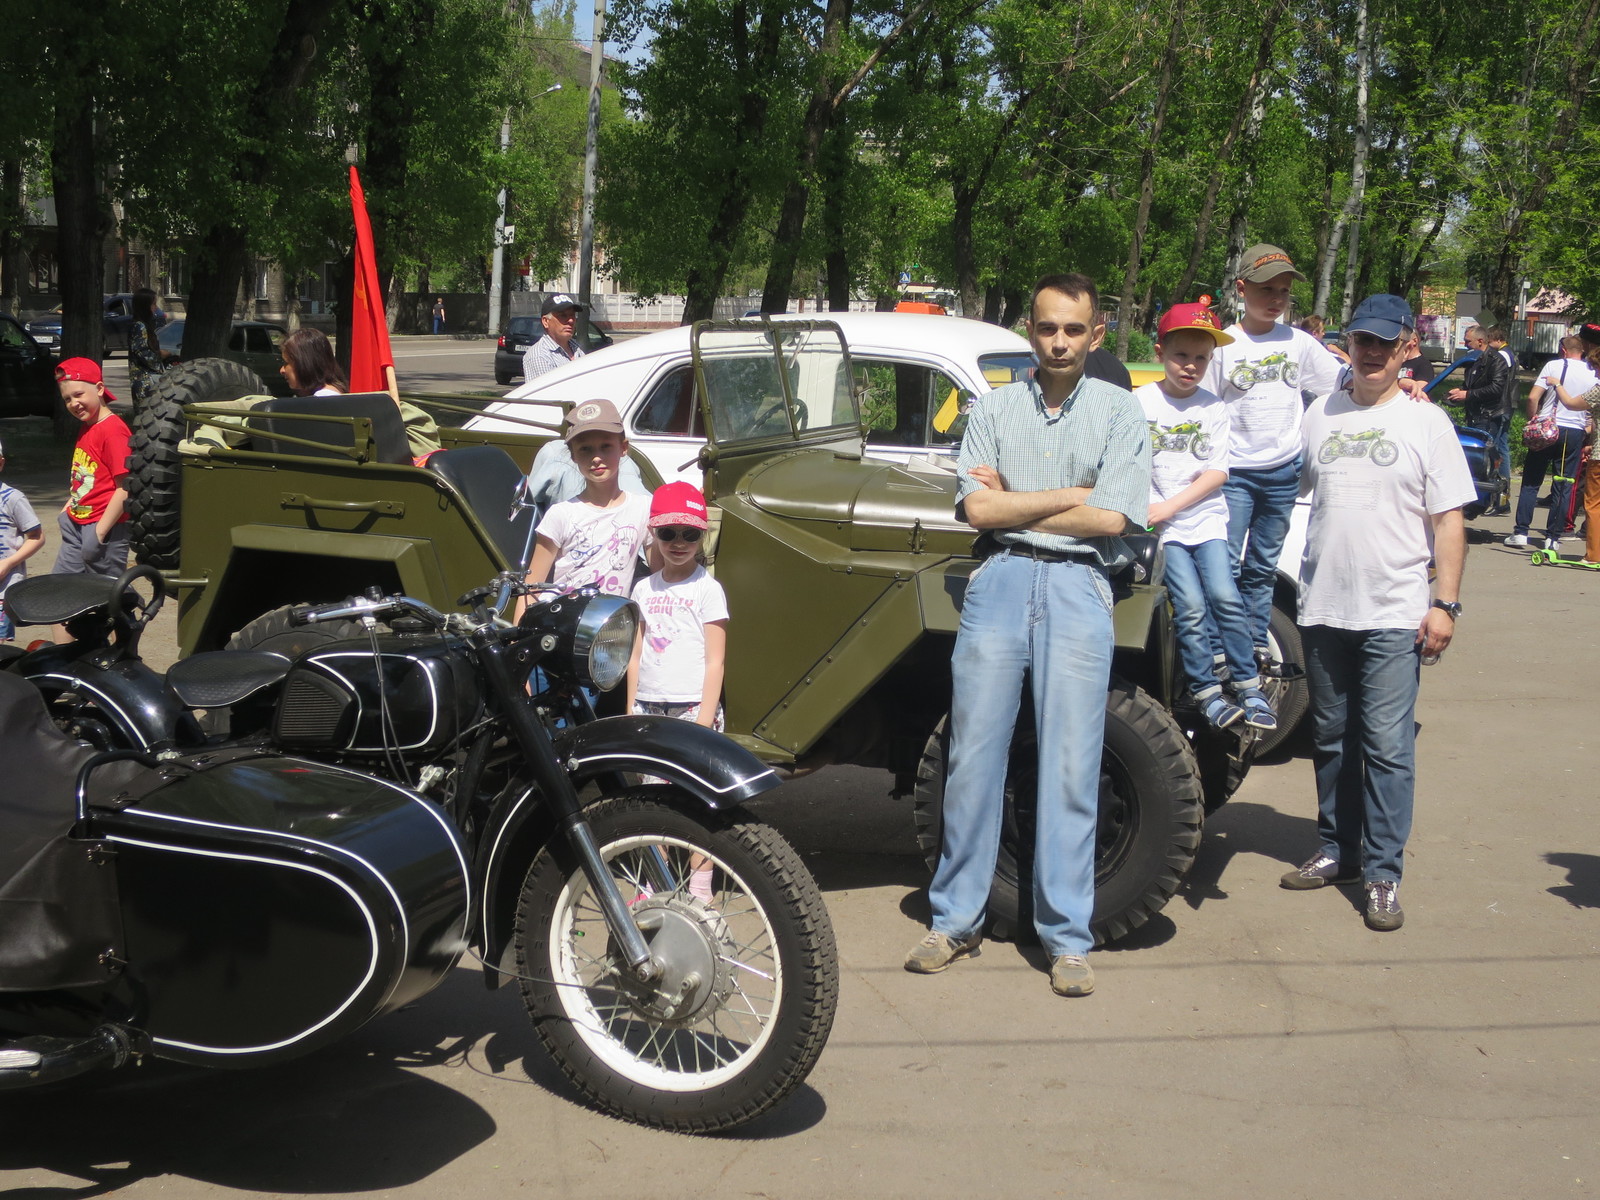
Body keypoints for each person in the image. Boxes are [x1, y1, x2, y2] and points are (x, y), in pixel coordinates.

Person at [903, 273, 1151, 998]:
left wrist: (1016, 501)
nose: (1060, 342)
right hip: (1001, 578)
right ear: (1030, 330)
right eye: (1047, 328)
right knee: (974, 755)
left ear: (1097, 333)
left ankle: (1066, 938)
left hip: (1079, 586)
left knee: (1072, 762)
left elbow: (1114, 520)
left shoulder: (1119, 412)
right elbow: (976, 510)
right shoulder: (996, 407)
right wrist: (1073, 494)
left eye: (1074, 330)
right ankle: (953, 921)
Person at [1282, 294, 1474, 932]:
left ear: (1404, 351)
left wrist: (1443, 604)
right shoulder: (1320, 414)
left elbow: (1449, 520)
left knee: (1389, 748)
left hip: (1395, 611)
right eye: (1361, 341)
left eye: (1383, 344)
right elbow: (1286, 490)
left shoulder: (1428, 424)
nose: (1370, 352)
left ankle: (1383, 873)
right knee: (1331, 739)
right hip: (1323, 607)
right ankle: (1337, 850)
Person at [1203, 245, 1343, 672]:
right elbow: (1203, 406)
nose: (1276, 299)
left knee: (1262, 566)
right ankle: (1216, 647)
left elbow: (1341, 384)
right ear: (1242, 289)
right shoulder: (1225, 344)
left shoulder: (1299, 342)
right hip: (1234, 475)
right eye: (1266, 289)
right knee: (1224, 563)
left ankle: (1252, 644)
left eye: (1283, 290)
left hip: (1282, 473)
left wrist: (1402, 385)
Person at [1137, 303, 1275, 732]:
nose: (1191, 366)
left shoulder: (1214, 407)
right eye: (1182, 355)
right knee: (1192, 607)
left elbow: (1217, 472)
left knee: (1226, 597)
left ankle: (1248, 686)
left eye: (1201, 358)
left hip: (1205, 519)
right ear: (1161, 351)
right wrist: (1155, 511)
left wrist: (1170, 506)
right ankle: (1206, 692)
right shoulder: (1139, 402)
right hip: (1165, 529)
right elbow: (1131, 464)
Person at [523, 398, 652, 599]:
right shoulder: (561, 514)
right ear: (573, 455)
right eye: (585, 449)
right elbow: (531, 588)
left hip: (615, 625)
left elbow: (661, 577)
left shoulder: (643, 508)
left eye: (606, 446)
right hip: (563, 621)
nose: (596, 458)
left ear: (623, 448)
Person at [1506, 335, 1597, 549]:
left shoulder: (1553, 365)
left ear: (1563, 350)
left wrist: (1533, 419)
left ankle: (1521, 532)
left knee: (1531, 480)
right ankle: (1552, 538)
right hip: (1574, 432)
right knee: (1563, 484)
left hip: (1548, 428)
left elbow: (1532, 398)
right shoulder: (1591, 371)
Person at [52, 358, 133, 593]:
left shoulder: (113, 429)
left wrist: (99, 533)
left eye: (78, 395)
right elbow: (86, 476)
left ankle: (128, 621)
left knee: (106, 598)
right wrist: (66, 509)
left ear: (98, 389)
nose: (74, 403)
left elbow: (125, 486)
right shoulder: (88, 425)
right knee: (61, 592)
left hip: (104, 527)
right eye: (67, 399)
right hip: (76, 522)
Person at [1447, 324, 1513, 512]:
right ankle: (1478, 501)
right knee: (1479, 459)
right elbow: (1470, 385)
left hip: (1491, 415)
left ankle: (1498, 501)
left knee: (1489, 459)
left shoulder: (1496, 360)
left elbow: (1496, 388)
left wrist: (1467, 395)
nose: (1465, 344)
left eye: (1468, 341)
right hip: (1476, 415)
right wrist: (1457, 393)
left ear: (1480, 341)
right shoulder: (1473, 360)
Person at [0, 437, 44, 642]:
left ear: (0, 463)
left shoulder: (12, 498)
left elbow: (37, 536)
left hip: (4, 588)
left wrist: (8, 563)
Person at [522, 293, 587, 383]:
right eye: (563, 315)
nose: (571, 320)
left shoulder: (577, 348)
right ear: (546, 321)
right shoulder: (539, 356)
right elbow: (547, 395)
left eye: (572, 315)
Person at [126, 287, 170, 405]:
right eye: (153, 304)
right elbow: (142, 352)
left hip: (148, 380)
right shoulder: (139, 326)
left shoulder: (144, 325)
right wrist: (160, 355)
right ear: (144, 306)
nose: (155, 307)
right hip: (144, 382)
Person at [279, 327, 347, 396]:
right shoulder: (329, 394)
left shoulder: (322, 398)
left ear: (305, 363)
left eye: (287, 363)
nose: (282, 370)